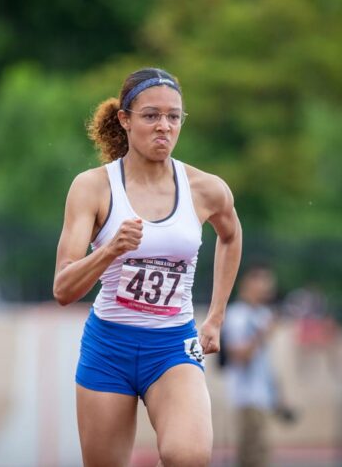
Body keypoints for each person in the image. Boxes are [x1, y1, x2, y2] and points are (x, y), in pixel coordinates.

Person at [53, 67, 242, 467]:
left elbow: (230, 236)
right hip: (109, 347)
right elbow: (63, 290)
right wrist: (109, 250)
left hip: (173, 345)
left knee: (188, 456)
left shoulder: (206, 188)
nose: (164, 127)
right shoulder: (93, 187)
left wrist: (216, 317)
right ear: (125, 119)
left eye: (174, 117)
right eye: (151, 115)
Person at [222, 263, 286, 467]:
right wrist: (263, 333)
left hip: (262, 396)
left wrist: (278, 395)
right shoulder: (237, 314)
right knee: (253, 456)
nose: (267, 289)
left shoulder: (263, 314)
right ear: (249, 283)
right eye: (263, 283)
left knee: (259, 454)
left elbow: (266, 363)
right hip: (247, 396)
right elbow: (239, 355)